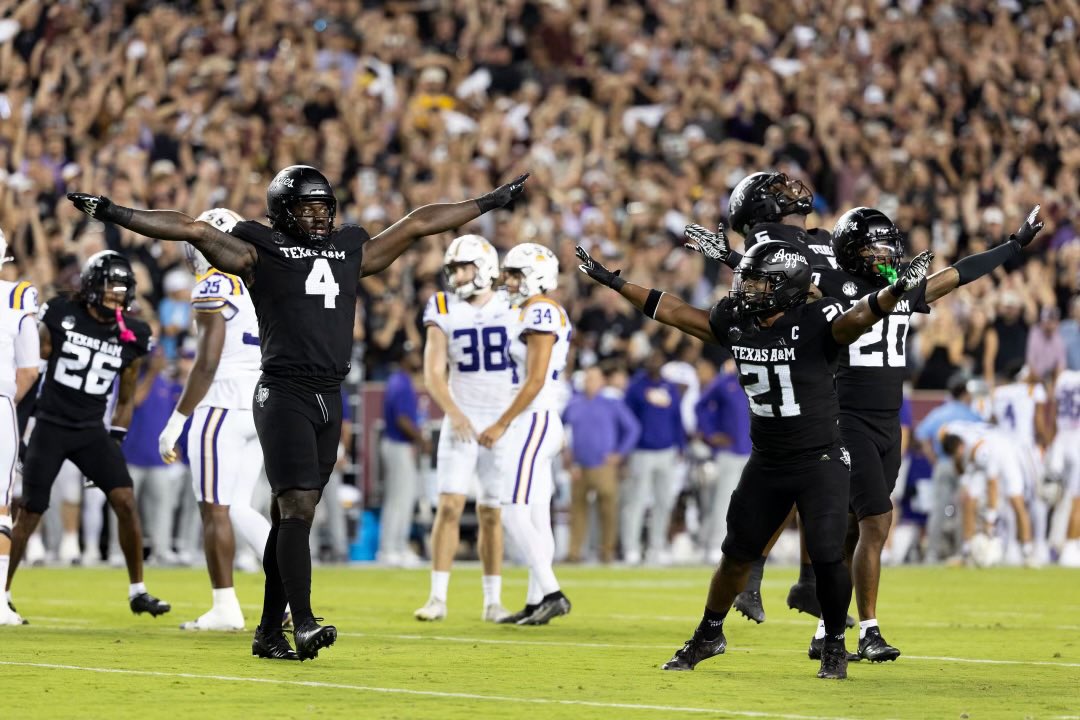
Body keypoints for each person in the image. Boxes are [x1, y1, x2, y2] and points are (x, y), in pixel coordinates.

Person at [68, 165, 528, 660]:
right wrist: (112, 211)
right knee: (297, 508)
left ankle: (268, 632)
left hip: (330, 395)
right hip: (283, 391)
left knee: (292, 520)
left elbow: (418, 223)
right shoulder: (255, 250)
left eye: (323, 205)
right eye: (305, 206)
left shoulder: (350, 246)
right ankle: (302, 622)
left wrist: (488, 202)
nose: (316, 214)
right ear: (281, 211)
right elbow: (191, 228)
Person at [577, 236, 933, 679]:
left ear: (787, 287)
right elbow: (673, 312)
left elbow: (860, 315)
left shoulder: (819, 321)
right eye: (748, 280)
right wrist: (614, 282)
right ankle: (710, 633)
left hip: (820, 458)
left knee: (826, 555)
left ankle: (835, 646)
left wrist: (896, 290)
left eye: (761, 283)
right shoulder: (734, 320)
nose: (747, 289)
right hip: (767, 460)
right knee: (735, 557)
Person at [6, 251, 170, 621]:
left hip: (92, 430)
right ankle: (2, 590)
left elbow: (126, 393)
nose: (117, 294)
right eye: (112, 286)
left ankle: (137, 590)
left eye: (123, 288)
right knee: (31, 510)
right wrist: (21, 424)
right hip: (50, 424)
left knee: (125, 499)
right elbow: (35, 366)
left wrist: (114, 438)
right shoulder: (62, 313)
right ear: (92, 285)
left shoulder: (134, 333)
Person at [157, 208, 271, 632]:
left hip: (220, 408)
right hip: (258, 407)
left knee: (215, 511)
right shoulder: (260, 282)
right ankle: (294, 594)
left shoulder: (214, 284)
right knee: (241, 507)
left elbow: (206, 362)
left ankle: (225, 607)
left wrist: (176, 420)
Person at [415, 235, 514, 622]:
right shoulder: (442, 306)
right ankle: (437, 597)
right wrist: (453, 411)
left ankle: (493, 600)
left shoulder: (511, 303)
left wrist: (510, 418)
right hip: (462, 416)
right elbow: (433, 369)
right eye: (453, 268)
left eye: (463, 267)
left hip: (502, 420)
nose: (456, 275)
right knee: (450, 504)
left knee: (492, 511)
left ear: (485, 267)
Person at [478, 242, 572, 626]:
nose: (508, 280)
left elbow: (534, 380)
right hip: (536, 418)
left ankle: (551, 591)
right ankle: (537, 601)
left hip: (533, 419)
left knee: (512, 508)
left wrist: (501, 421)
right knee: (535, 514)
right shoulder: (532, 310)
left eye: (515, 274)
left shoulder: (541, 310)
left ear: (535, 276)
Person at [0, 229, 40, 625]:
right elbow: (28, 368)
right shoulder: (16, 296)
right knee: (0, 505)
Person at [561, 365, 640, 564]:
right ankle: (574, 552)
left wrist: (619, 454)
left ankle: (607, 551)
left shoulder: (612, 404)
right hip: (579, 465)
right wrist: (566, 454)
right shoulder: (574, 403)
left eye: (594, 379)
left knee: (608, 510)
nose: (590, 382)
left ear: (602, 382)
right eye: (587, 378)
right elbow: (561, 429)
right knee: (577, 510)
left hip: (604, 465)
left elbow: (632, 429)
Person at [622, 349, 685, 565]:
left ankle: (656, 547)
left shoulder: (670, 387)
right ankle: (631, 547)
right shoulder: (636, 387)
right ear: (645, 363)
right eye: (651, 359)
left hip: (667, 451)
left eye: (658, 359)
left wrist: (680, 445)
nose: (654, 362)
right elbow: (626, 418)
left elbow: (677, 418)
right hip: (642, 451)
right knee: (637, 501)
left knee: (664, 502)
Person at [379, 348, 428, 568]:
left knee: (402, 499)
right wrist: (421, 440)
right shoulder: (400, 382)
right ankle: (391, 548)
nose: (416, 358)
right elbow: (402, 419)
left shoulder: (401, 380)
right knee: (400, 500)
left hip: (398, 445)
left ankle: (396, 546)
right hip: (398, 444)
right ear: (404, 359)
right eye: (412, 355)